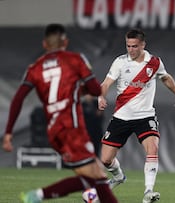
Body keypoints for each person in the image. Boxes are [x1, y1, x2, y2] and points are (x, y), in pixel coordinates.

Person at [2, 24, 118, 203]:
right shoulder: (75, 59)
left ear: (44, 44)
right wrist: (81, 89)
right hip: (71, 128)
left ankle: (38, 196)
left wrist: (9, 132)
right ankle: (37, 196)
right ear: (66, 42)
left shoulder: (35, 68)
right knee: (93, 177)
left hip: (54, 130)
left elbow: (18, 99)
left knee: (98, 177)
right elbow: (96, 90)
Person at [97, 28, 175, 203]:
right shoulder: (120, 62)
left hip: (145, 116)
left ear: (143, 44)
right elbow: (106, 83)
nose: (131, 50)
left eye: (135, 46)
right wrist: (101, 96)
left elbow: (165, 77)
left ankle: (148, 191)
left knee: (152, 148)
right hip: (121, 116)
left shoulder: (154, 63)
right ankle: (118, 177)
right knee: (106, 159)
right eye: (128, 46)